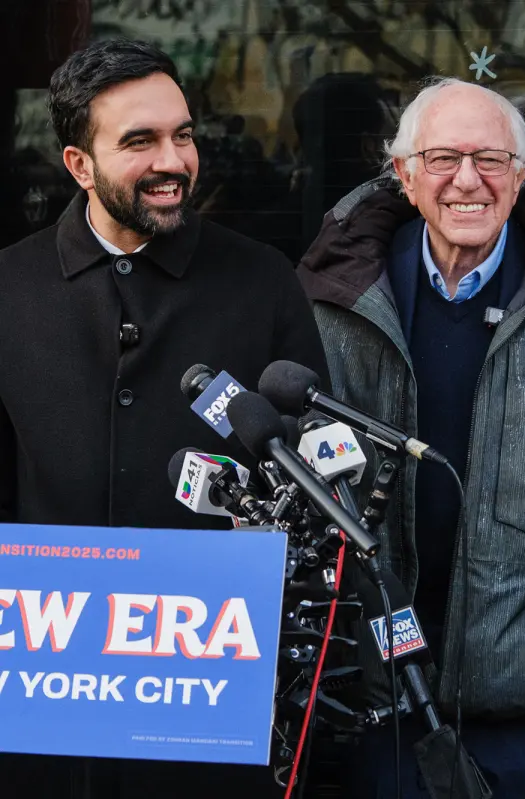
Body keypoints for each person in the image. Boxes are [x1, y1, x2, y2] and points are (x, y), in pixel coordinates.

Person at [0, 38, 329, 799]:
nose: (174, 161)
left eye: (183, 135)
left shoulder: (261, 281)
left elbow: (309, 479)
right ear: (79, 165)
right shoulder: (10, 289)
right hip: (44, 718)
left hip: (209, 717)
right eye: (140, 141)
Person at [297, 77, 525, 797]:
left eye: (492, 160)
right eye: (442, 159)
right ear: (403, 174)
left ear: (522, 178)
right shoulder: (333, 299)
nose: (468, 180)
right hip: (377, 694)